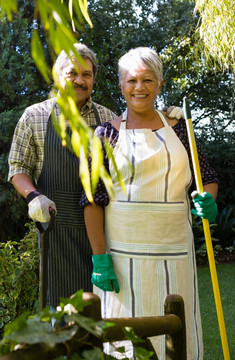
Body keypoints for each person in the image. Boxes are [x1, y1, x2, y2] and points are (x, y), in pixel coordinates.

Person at [8, 43, 183, 307]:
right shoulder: (35, 116)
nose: (80, 80)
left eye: (87, 75)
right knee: (63, 312)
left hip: (107, 228)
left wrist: (166, 119)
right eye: (72, 73)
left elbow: (139, 154)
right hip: (57, 230)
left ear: (94, 80)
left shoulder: (108, 117)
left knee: (108, 311)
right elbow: (18, 167)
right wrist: (33, 197)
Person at [80, 47, 219, 360]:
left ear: (159, 84)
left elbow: (206, 177)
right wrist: (99, 259)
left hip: (175, 253)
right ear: (120, 85)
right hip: (123, 258)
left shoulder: (181, 128)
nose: (139, 87)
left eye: (147, 80)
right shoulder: (105, 135)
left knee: (178, 330)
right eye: (131, 80)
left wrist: (208, 199)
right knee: (126, 339)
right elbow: (92, 200)